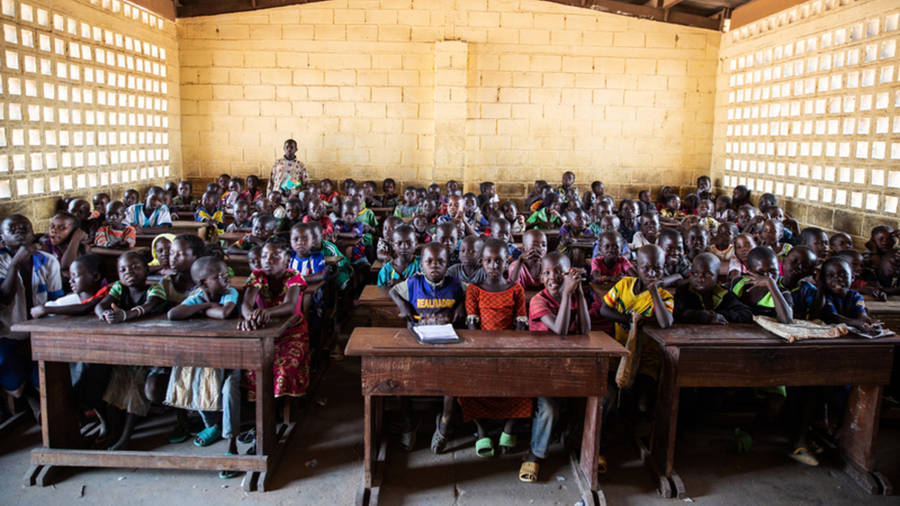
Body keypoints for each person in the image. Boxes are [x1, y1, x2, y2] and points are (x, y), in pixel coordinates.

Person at [167, 256, 241, 478]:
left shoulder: (231, 293)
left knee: (229, 390)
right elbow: (173, 314)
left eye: (225, 273)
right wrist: (207, 305)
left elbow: (225, 313)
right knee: (189, 373)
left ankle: (231, 445)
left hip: (234, 358)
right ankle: (212, 425)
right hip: (209, 357)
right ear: (202, 284)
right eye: (218, 276)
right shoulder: (197, 297)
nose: (226, 277)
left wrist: (199, 309)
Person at [461, 239, 530, 459]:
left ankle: (509, 427)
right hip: (482, 350)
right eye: (488, 261)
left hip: (509, 349)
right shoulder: (474, 290)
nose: (493, 266)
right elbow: (472, 326)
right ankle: (481, 430)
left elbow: (520, 324)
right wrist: (485, 353)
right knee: (463, 386)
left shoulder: (516, 289)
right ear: (481, 262)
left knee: (526, 383)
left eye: (498, 261)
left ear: (507, 262)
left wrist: (510, 352)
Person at [95, 251, 167, 450]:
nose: (129, 273)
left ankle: (126, 436)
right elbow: (101, 304)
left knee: (135, 386)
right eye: (123, 270)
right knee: (113, 383)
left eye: (135, 267)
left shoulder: (155, 289)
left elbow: (149, 306)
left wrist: (126, 315)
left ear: (147, 269)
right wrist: (105, 314)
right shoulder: (118, 288)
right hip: (127, 350)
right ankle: (113, 429)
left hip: (152, 351)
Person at [0, 215, 63, 411]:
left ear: (32, 233)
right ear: (2, 237)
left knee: (44, 378)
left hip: (42, 334)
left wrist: (45, 335)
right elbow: (4, 298)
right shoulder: (2, 261)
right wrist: (15, 264)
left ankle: (41, 404)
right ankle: (29, 400)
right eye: (13, 229)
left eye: (24, 228)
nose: (19, 232)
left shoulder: (48, 261)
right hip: (7, 335)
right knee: (14, 385)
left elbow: (55, 303)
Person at [239, 239, 310, 410]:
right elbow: (246, 304)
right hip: (265, 332)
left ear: (286, 260)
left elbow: (290, 306)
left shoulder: (294, 276)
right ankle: (263, 408)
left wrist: (266, 312)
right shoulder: (257, 276)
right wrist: (250, 317)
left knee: (285, 366)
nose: (268, 260)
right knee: (251, 366)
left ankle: (279, 407)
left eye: (275, 256)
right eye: (264, 256)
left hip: (293, 332)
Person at [673, 253, 753, 324]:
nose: (700, 278)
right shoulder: (683, 292)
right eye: (695, 274)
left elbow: (746, 314)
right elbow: (677, 314)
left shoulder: (723, 293)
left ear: (718, 278)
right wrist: (705, 316)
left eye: (707, 274)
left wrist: (716, 315)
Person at [729, 246, 793, 324]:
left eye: (773, 272)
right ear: (749, 270)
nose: (767, 277)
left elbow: (787, 320)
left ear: (779, 270)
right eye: (761, 273)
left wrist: (770, 283)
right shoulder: (738, 284)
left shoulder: (783, 294)